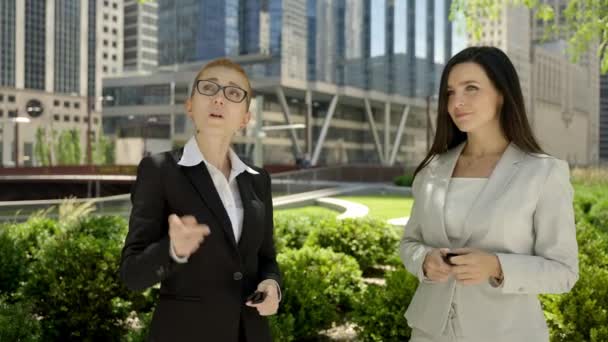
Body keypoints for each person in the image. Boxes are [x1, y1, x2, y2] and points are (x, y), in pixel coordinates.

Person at [399, 46, 578, 342]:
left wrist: (497, 266)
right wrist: (424, 260)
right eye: (450, 92)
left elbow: (564, 272)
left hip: (507, 333)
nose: (457, 102)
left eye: (471, 88)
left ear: (502, 94)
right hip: (429, 332)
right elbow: (409, 243)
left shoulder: (544, 173)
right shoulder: (433, 169)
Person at [119, 58, 282, 342]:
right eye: (209, 88)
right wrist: (173, 250)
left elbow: (266, 258)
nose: (219, 98)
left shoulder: (258, 180)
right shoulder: (159, 171)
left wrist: (272, 285)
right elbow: (132, 275)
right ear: (190, 105)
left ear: (245, 118)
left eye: (233, 93)